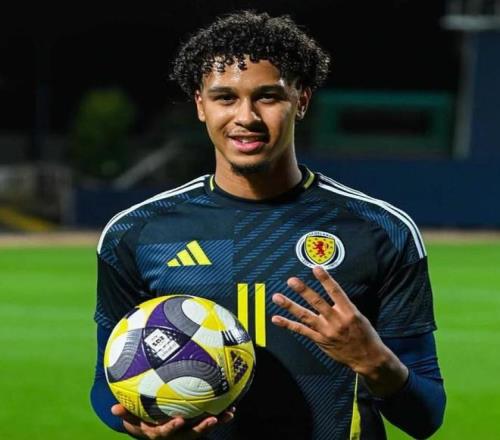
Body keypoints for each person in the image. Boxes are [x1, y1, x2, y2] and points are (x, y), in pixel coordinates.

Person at [91, 10, 446, 440]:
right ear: (201, 105)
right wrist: (139, 425)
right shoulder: (136, 233)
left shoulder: (379, 230)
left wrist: (374, 362)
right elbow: (107, 389)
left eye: (268, 97)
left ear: (302, 100)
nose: (247, 117)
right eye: (225, 98)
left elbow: (426, 417)